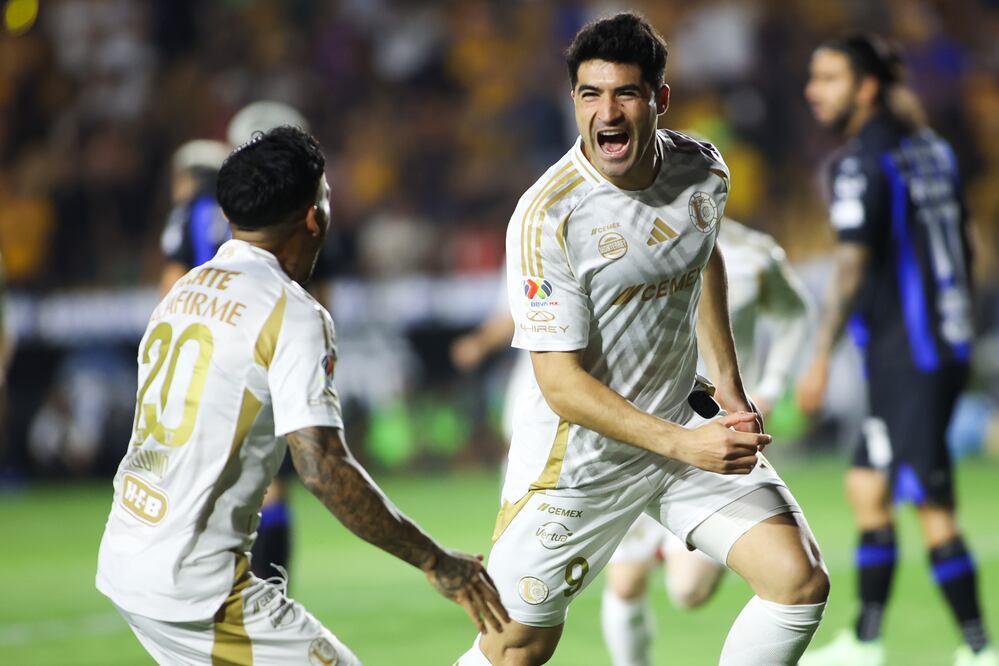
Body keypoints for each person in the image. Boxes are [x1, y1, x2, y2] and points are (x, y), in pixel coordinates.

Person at [455, 13, 828, 665]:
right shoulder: (548, 218)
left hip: (682, 422)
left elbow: (702, 254)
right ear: (573, 102)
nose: (607, 112)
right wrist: (685, 444)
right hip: (580, 460)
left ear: (658, 100)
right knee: (518, 647)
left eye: (624, 93)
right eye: (589, 94)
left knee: (796, 583)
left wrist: (731, 389)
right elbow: (560, 385)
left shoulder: (701, 170)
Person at [97, 126, 508, 665]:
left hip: (128, 556)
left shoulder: (181, 294)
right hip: (196, 586)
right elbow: (322, 469)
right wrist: (435, 560)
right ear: (315, 217)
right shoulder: (290, 312)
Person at [797, 34, 995, 666]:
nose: (812, 90)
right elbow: (971, 245)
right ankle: (866, 640)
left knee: (930, 504)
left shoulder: (861, 163)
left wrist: (821, 354)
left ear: (866, 88)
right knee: (866, 486)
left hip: (909, 358)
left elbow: (852, 266)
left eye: (827, 78)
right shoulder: (932, 149)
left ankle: (980, 649)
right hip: (937, 346)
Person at [602, 217, 814, 666]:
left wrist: (772, 386)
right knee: (625, 582)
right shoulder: (625, 240)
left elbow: (796, 313)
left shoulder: (756, 252)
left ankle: (669, 540)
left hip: (719, 440)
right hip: (646, 432)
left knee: (689, 591)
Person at [159, 101, 313, 583]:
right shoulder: (297, 208)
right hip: (268, 344)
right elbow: (314, 290)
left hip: (203, 352)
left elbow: (171, 285)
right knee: (272, 487)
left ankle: (197, 583)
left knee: (199, 478)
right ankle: (270, 588)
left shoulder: (198, 206)